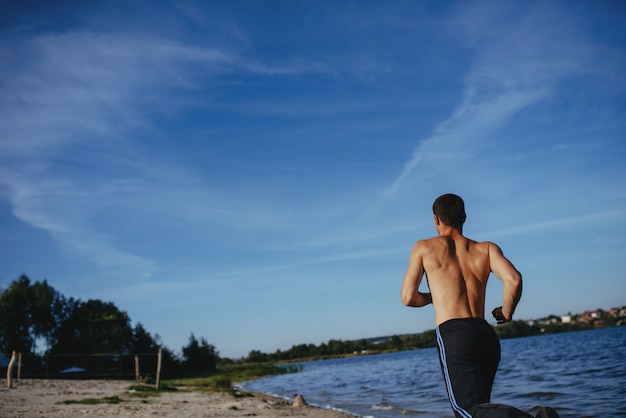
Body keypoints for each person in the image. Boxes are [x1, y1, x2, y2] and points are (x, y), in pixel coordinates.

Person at [401, 193, 558, 418]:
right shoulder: (486, 249)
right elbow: (513, 279)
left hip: (454, 334)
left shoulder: (424, 247)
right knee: (483, 408)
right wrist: (507, 312)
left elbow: (408, 298)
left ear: (436, 219)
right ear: (464, 217)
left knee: (467, 410)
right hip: (485, 334)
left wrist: (434, 296)